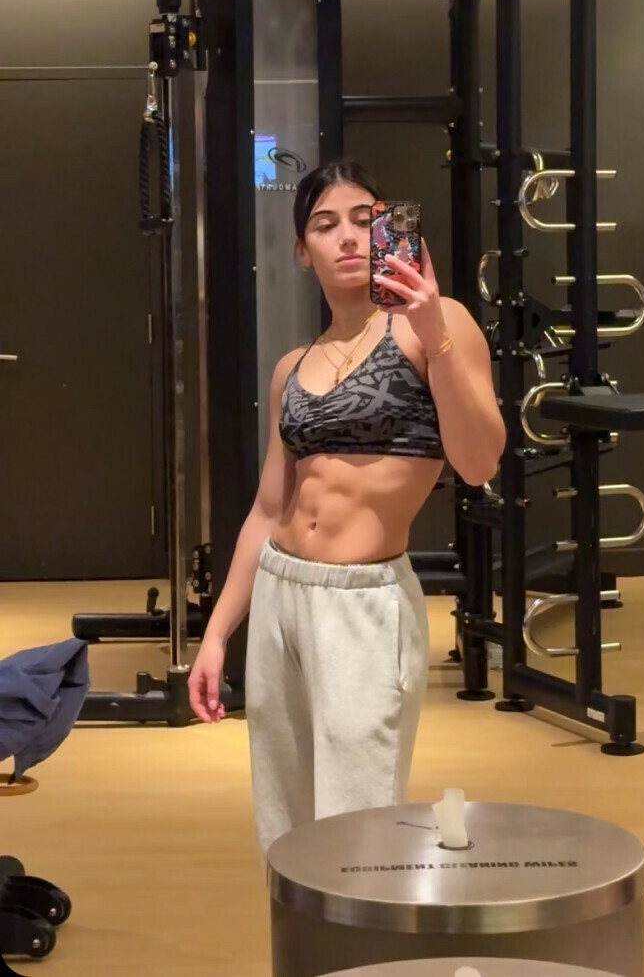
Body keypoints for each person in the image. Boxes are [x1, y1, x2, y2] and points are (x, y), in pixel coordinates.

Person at [187, 158, 506, 857]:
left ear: (390, 230)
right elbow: (268, 510)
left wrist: (434, 332)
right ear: (303, 252)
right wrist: (216, 634)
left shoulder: (435, 326)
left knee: (360, 824)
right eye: (325, 225)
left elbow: (480, 462)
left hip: (364, 601)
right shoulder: (293, 366)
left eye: (365, 220)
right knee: (286, 819)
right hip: (281, 592)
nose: (349, 237)